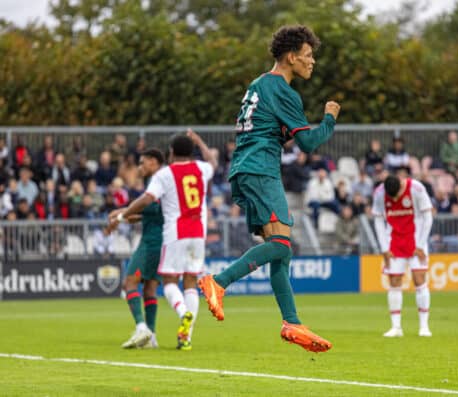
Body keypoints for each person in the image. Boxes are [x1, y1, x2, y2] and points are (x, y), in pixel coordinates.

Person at [196, 25, 340, 353]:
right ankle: (219, 281)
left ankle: (292, 322)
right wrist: (329, 119)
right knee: (281, 244)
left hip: (247, 168)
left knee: (281, 249)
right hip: (261, 169)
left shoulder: (259, 84)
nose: (312, 61)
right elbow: (307, 142)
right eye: (308, 55)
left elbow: (265, 127)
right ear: (291, 57)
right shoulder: (284, 90)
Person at [109, 131, 216, 351]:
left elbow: (148, 200)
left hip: (175, 233)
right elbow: (213, 161)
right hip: (198, 232)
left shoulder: (165, 174)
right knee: (190, 282)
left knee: (168, 282)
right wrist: (200, 141)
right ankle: (186, 334)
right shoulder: (201, 168)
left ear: (171, 152)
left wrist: (122, 215)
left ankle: (181, 313)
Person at [107, 149, 165, 349]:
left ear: (153, 163)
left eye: (143, 163)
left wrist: (122, 213)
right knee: (149, 288)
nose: (140, 167)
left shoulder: (158, 181)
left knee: (129, 282)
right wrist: (130, 217)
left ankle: (142, 327)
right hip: (161, 239)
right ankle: (152, 336)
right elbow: (155, 212)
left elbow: (150, 206)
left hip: (152, 241)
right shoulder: (160, 181)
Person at [373, 173, 433, 337]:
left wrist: (421, 245)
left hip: (415, 243)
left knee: (419, 280)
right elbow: (378, 220)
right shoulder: (379, 193)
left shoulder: (417, 189)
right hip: (394, 244)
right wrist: (384, 248)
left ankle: (424, 326)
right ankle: (396, 327)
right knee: (394, 281)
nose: (395, 199)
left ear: (401, 185)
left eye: (398, 195)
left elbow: (428, 217)